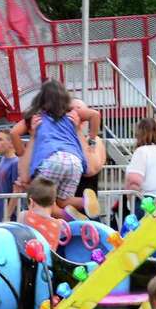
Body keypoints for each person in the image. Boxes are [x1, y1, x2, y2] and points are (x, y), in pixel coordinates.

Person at [10, 80, 102, 214]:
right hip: (75, 162)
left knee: (39, 199)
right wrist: (92, 139)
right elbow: (95, 115)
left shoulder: (37, 117)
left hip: (52, 160)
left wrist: (20, 152)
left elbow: (13, 132)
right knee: (62, 200)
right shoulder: (72, 114)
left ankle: (53, 222)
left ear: (41, 99)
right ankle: (84, 202)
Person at [19, 178, 64, 250]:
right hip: (47, 261)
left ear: (31, 202)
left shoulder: (24, 215)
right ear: (54, 203)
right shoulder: (58, 224)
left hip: (25, 260)